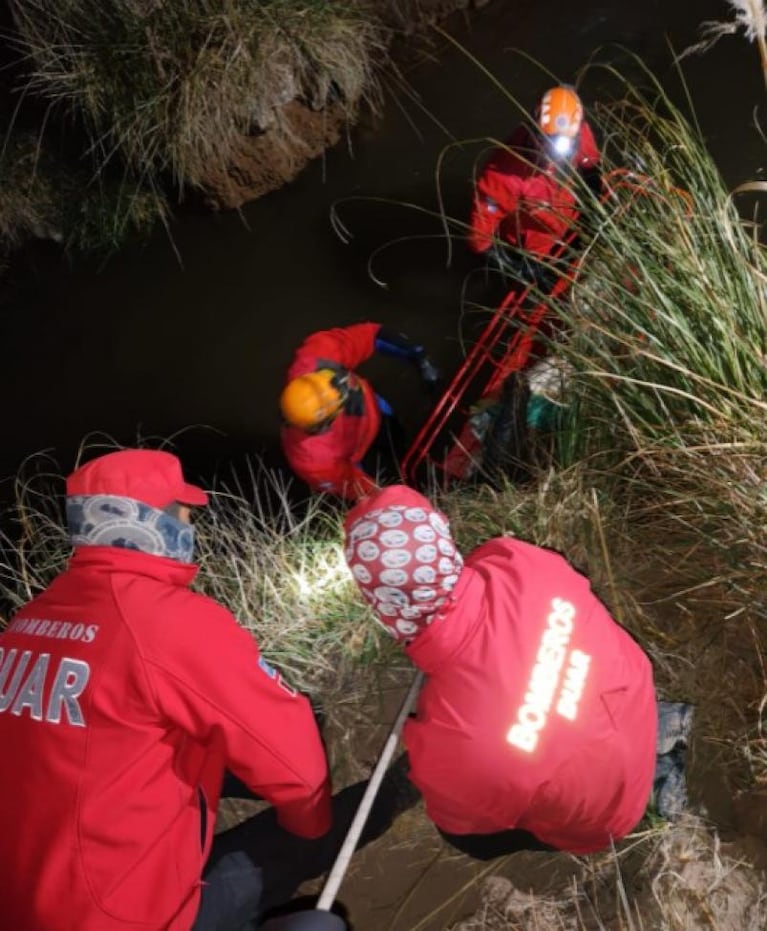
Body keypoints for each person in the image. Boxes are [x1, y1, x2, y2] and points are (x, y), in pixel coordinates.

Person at [0, 449, 414, 931]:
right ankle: (401, 792)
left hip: (29, 896)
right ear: (146, 522)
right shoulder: (170, 622)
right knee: (312, 874)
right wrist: (308, 826)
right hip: (126, 915)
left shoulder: (30, 622)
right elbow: (296, 771)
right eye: (183, 512)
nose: (191, 525)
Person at [342, 484, 657, 858]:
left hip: (609, 817)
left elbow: (458, 820)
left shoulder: (450, 752)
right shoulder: (517, 559)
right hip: (638, 706)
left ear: (380, 605)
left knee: (460, 836)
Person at [279, 322, 440, 501]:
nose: (344, 382)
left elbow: (372, 335)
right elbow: (359, 487)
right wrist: (396, 500)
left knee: (397, 441)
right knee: (385, 475)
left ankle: (399, 447)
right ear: (326, 421)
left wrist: (416, 355)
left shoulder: (316, 356)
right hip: (356, 453)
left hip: (375, 410)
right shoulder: (314, 462)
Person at [468, 84, 601, 286]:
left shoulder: (576, 132)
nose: (553, 151)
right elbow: (479, 239)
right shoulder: (503, 176)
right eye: (549, 141)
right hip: (537, 251)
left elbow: (590, 166)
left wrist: (595, 208)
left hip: (572, 221)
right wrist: (522, 269)